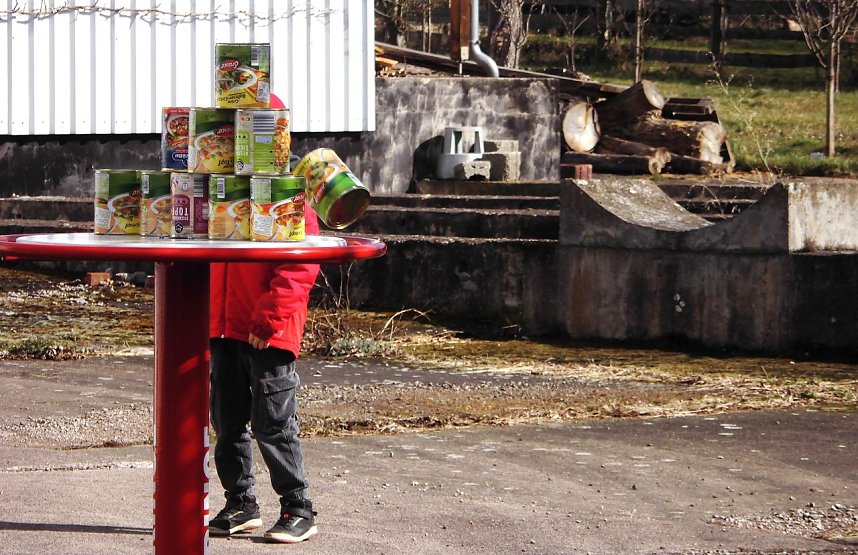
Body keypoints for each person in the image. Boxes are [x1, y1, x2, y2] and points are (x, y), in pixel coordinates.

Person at [208, 95, 321, 542]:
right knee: (228, 420)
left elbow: (300, 263)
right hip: (224, 326)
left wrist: (269, 317)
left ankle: (298, 506)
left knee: (273, 422)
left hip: (268, 333)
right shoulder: (219, 191)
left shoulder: (287, 192)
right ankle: (241, 503)